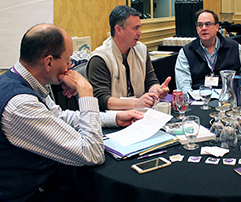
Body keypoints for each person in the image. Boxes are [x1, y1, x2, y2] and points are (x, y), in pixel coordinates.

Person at [0, 24, 144, 201]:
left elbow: (59, 117)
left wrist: (113, 117)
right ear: (49, 62)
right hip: (32, 193)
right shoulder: (21, 106)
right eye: (68, 60)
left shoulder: (22, 80)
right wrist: (86, 92)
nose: (70, 66)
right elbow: (92, 153)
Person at [86, 5, 170, 111]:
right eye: (135, 28)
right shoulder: (100, 58)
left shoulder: (142, 50)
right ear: (118, 30)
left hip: (139, 114)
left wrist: (157, 90)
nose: (140, 33)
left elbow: (150, 80)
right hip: (113, 119)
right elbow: (101, 100)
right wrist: (135, 103)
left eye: (140, 27)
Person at [174, 9, 241, 94]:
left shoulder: (233, 47)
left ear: (217, 27)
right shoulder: (186, 52)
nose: (204, 28)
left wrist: (233, 82)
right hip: (198, 98)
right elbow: (184, 87)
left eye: (208, 24)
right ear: (197, 29)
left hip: (226, 97)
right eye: (200, 25)